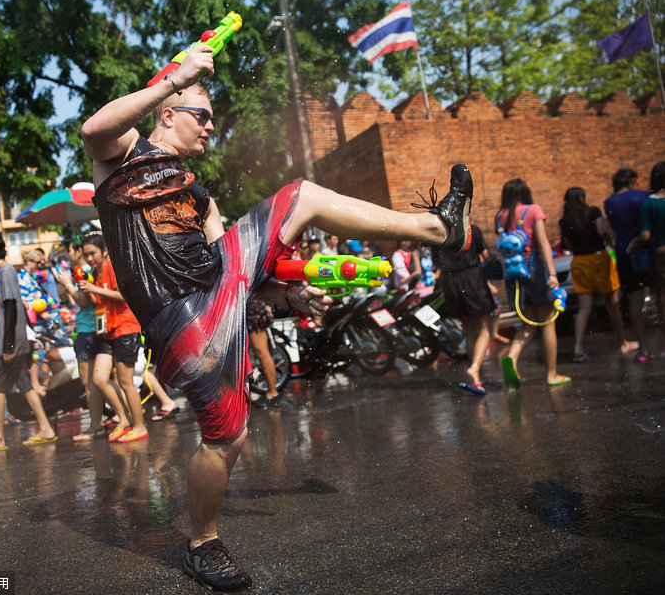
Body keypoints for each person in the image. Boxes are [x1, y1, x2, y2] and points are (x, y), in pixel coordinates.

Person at [80, 45, 473, 591]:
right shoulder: (123, 157)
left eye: (212, 117)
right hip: (178, 318)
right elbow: (94, 127)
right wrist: (177, 77)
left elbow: (236, 271)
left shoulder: (201, 196)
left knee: (229, 436)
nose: (210, 126)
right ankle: (438, 229)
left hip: (214, 302)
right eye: (203, 114)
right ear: (168, 112)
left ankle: (203, 545)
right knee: (303, 195)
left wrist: (290, 297)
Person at [0, 232, 57, 452]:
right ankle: (46, 428)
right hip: (16, 340)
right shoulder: (3, 272)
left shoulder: (6, 271)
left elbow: (10, 306)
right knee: (25, 385)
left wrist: (7, 344)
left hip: (11, 342)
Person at [495, 178, 571, 388]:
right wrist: (553, 274)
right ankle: (552, 374)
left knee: (528, 323)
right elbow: (543, 242)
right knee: (547, 323)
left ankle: (512, 355)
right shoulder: (533, 210)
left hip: (514, 276)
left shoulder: (500, 217)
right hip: (535, 270)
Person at [76, 233, 149, 443]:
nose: (89, 259)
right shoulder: (95, 273)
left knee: (126, 382)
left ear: (104, 251)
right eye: (85, 255)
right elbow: (95, 301)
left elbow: (124, 296)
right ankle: (124, 420)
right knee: (98, 379)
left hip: (125, 328)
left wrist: (93, 288)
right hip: (107, 331)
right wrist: (84, 287)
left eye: (93, 254)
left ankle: (139, 426)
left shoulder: (113, 268)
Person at [558, 187, 637, 362]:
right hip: (599, 259)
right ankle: (622, 342)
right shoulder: (593, 211)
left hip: (579, 262)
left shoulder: (565, 220)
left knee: (584, 308)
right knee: (612, 303)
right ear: (581, 198)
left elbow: (567, 244)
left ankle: (578, 347)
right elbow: (602, 232)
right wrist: (612, 243)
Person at [53, 237, 108, 441]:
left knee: (90, 382)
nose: (70, 255)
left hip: (88, 329)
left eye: (70, 250)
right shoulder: (87, 269)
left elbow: (84, 302)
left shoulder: (82, 270)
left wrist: (68, 285)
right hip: (93, 328)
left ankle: (96, 425)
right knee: (98, 381)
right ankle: (104, 421)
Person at [438, 224, 494, 395]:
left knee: (469, 331)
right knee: (484, 330)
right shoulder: (472, 229)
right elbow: (486, 256)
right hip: (471, 278)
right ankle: (475, 368)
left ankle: (475, 378)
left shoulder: (440, 233)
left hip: (450, 282)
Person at [604, 168, 651, 361]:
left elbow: (614, 228)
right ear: (633, 181)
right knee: (660, 295)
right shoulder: (642, 197)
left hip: (624, 253)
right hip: (646, 248)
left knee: (634, 299)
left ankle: (643, 348)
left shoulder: (610, 202)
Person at [637, 161, 665, 342]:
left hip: (662, 252)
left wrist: (635, 244)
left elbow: (645, 236)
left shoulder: (649, 203)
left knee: (662, 296)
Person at [246, 299, 283, 407]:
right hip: (243, 309)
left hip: (251, 309)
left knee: (262, 353)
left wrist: (268, 304)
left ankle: (273, 393)